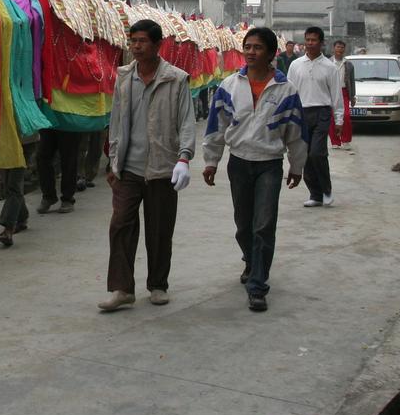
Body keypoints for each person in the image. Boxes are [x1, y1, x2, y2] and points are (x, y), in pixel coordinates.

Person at [202, 26, 306, 313]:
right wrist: (211, 160)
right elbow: (216, 126)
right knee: (243, 225)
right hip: (239, 163)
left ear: (272, 53)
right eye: (247, 46)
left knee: (263, 225)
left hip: (270, 165)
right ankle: (251, 260)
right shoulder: (229, 86)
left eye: (257, 47)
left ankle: (258, 285)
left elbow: (296, 132)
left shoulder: (286, 89)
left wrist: (297, 166)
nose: (250, 52)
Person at [99, 19, 196, 312]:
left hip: (162, 166)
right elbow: (116, 120)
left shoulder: (176, 79)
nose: (136, 47)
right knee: (120, 225)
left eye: (142, 41)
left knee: (159, 228)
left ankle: (157, 284)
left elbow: (186, 121)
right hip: (128, 167)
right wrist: (112, 161)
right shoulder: (124, 77)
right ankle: (122, 288)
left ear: (157, 44)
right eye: (133, 41)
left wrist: (184, 157)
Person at [287, 26, 344, 208]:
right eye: (308, 40)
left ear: (321, 43)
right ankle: (315, 194)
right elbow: (289, 92)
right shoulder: (295, 65)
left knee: (317, 153)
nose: (310, 44)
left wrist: (339, 119)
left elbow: (336, 94)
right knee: (304, 155)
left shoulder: (329, 67)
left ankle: (326, 190)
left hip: (322, 112)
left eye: (314, 40)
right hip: (301, 113)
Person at [0, 136, 37, 247]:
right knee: (9, 184)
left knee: (13, 185)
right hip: (5, 140)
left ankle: (8, 228)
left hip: (24, 142)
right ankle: (22, 217)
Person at [36, 129, 85, 213]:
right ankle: (48, 196)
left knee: (69, 159)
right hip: (50, 122)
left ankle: (67, 198)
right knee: (42, 156)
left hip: (69, 121)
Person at [328, 40, 356, 151]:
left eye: (342, 47)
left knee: (346, 117)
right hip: (330, 92)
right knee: (332, 117)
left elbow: (352, 81)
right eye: (338, 47)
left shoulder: (348, 64)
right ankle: (335, 141)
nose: (340, 49)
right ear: (334, 48)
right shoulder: (328, 63)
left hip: (344, 92)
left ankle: (346, 140)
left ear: (344, 49)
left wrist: (352, 96)